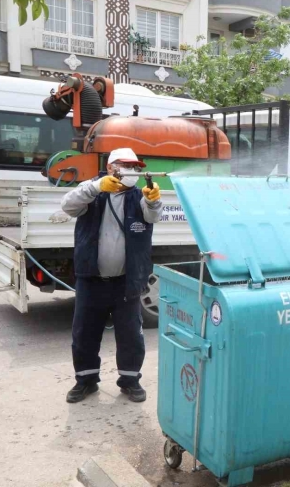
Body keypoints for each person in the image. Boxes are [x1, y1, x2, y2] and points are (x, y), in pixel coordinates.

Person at [61, 148, 162, 403]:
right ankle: (85, 381)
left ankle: (130, 381)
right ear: (110, 168)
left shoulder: (140, 196)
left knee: (130, 335)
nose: (132, 171)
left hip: (126, 282)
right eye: (125, 166)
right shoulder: (92, 192)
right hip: (91, 280)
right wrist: (96, 187)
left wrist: (152, 201)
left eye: (135, 167)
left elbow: (153, 216)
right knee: (84, 333)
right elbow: (68, 206)